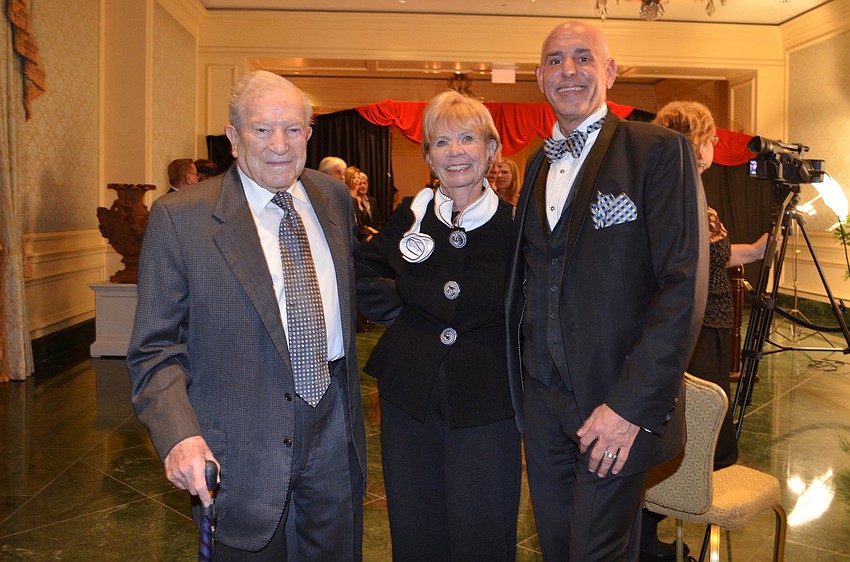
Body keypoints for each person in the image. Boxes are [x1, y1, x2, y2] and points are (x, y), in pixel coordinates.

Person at [127, 70, 375, 561]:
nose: (279, 144)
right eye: (262, 129)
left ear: (309, 133)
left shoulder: (332, 196)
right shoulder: (181, 217)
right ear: (234, 138)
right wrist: (180, 437)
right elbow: (154, 348)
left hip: (333, 435)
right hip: (239, 449)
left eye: (293, 129)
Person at [504, 20, 708, 561]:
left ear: (610, 72)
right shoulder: (536, 161)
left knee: (596, 553)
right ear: (540, 80)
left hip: (613, 402)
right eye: (554, 61)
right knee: (558, 548)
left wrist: (630, 406)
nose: (567, 70)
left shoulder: (659, 151)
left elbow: (682, 287)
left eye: (583, 57)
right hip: (542, 402)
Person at [361, 90, 521, 561]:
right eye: (441, 142)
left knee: (484, 526)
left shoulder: (517, 224)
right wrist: (404, 314)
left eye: (467, 138)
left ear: (491, 150)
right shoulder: (413, 214)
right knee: (416, 522)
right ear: (429, 154)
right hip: (411, 392)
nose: (455, 152)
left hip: (488, 393)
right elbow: (362, 272)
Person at [640, 100, 773, 561]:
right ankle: (649, 534)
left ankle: (665, 531)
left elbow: (713, 257)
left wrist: (754, 252)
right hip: (692, 329)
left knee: (699, 437)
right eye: (711, 138)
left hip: (711, 326)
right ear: (695, 142)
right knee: (686, 437)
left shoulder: (692, 193)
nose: (715, 145)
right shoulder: (670, 193)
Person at [345, 166, 378, 244]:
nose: (357, 180)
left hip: (364, 236)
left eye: (358, 177)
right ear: (348, 179)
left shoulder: (358, 199)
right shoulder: (348, 198)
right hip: (355, 239)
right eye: (354, 178)